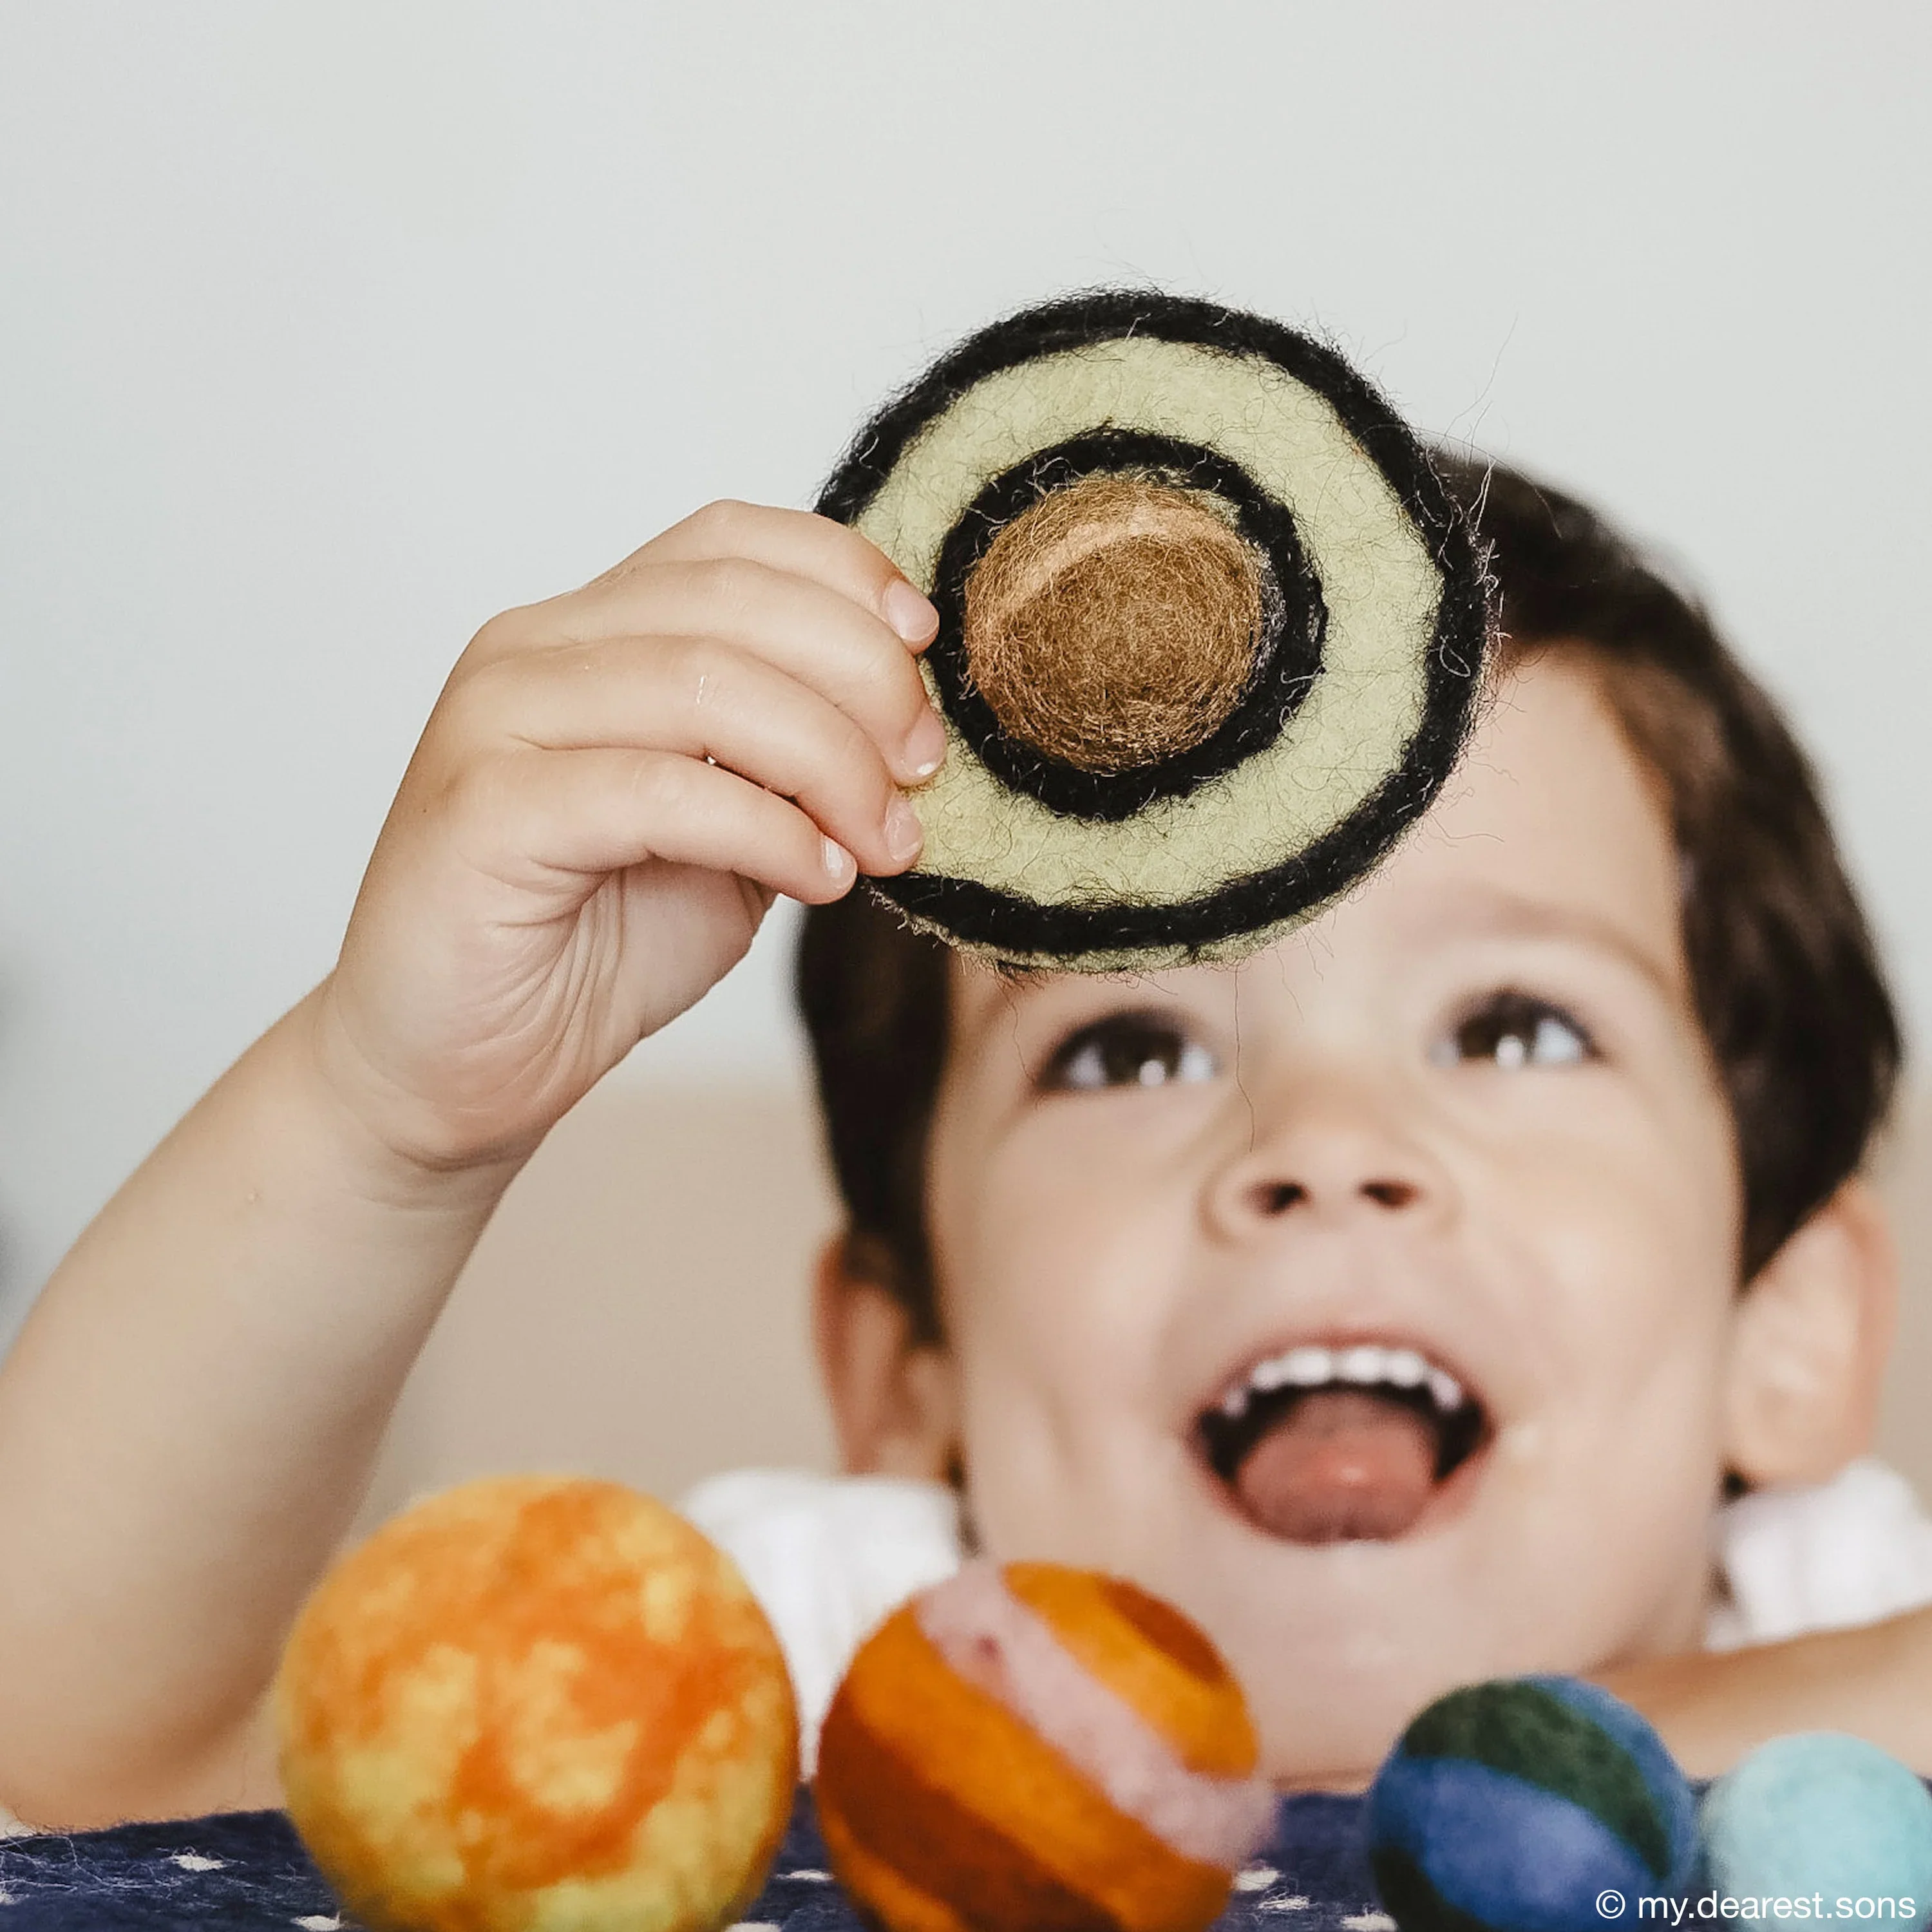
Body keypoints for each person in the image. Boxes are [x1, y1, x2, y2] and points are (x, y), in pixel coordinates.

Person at [0, 451, 1919, 1834]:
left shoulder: (1842, 1615)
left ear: (1792, 1330)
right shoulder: (806, 1675)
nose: (1324, 1148)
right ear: (904, 1376)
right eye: (1130, 1050)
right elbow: (78, 1758)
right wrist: (389, 1115)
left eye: (1511, 1026)